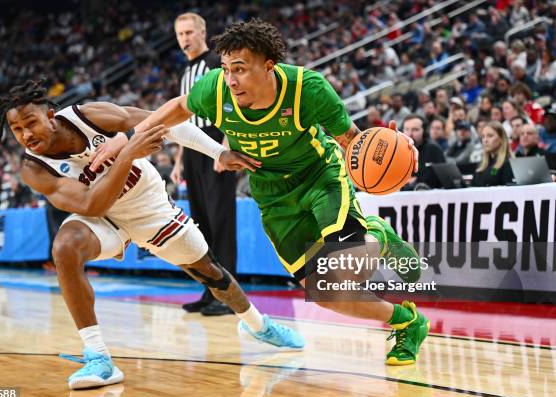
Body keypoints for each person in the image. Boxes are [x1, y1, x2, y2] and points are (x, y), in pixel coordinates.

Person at [93, 19, 430, 366]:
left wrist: (398, 150)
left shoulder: (307, 89)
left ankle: (379, 236)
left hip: (319, 178)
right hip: (272, 196)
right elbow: (180, 107)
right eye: (225, 69)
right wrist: (129, 137)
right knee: (325, 293)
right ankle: (408, 322)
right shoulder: (217, 89)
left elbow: (352, 141)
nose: (231, 79)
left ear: (269, 66)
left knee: (346, 268)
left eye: (239, 69)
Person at [0, 79, 304, 390]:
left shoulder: (89, 116)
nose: (26, 135)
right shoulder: (33, 168)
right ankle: (98, 357)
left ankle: (258, 324)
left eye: (30, 123)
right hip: (103, 218)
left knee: (210, 272)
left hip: (151, 208)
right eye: (17, 130)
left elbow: (167, 122)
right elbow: (91, 204)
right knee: (64, 248)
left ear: (50, 115)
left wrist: (218, 153)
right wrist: (127, 153)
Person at [171, 12, 238, 316]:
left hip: (215, 143)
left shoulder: (214, 63)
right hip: (192, 146)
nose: (184, 38)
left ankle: (228, 295)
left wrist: (226, 144)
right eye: (180, 34)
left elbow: (232, 101)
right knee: (200, 224)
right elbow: (183, 117)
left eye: (189, 32)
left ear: (202, 32)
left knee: (221, 220)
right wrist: (178, 158)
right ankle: (209, 290)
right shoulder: (184, 71)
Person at [402, 115, 446, 189]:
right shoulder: (401, 150)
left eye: (415, 129)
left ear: (424, 131)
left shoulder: (432, 148)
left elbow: (430, 180)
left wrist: (415, 180)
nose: (410, 134)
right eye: (406, 129)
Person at [472, 121, 514, 187]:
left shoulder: (508, 163)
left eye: (490, 136)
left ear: (501, 139)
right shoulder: (481, 164)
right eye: (483, 136)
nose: (485, 140)